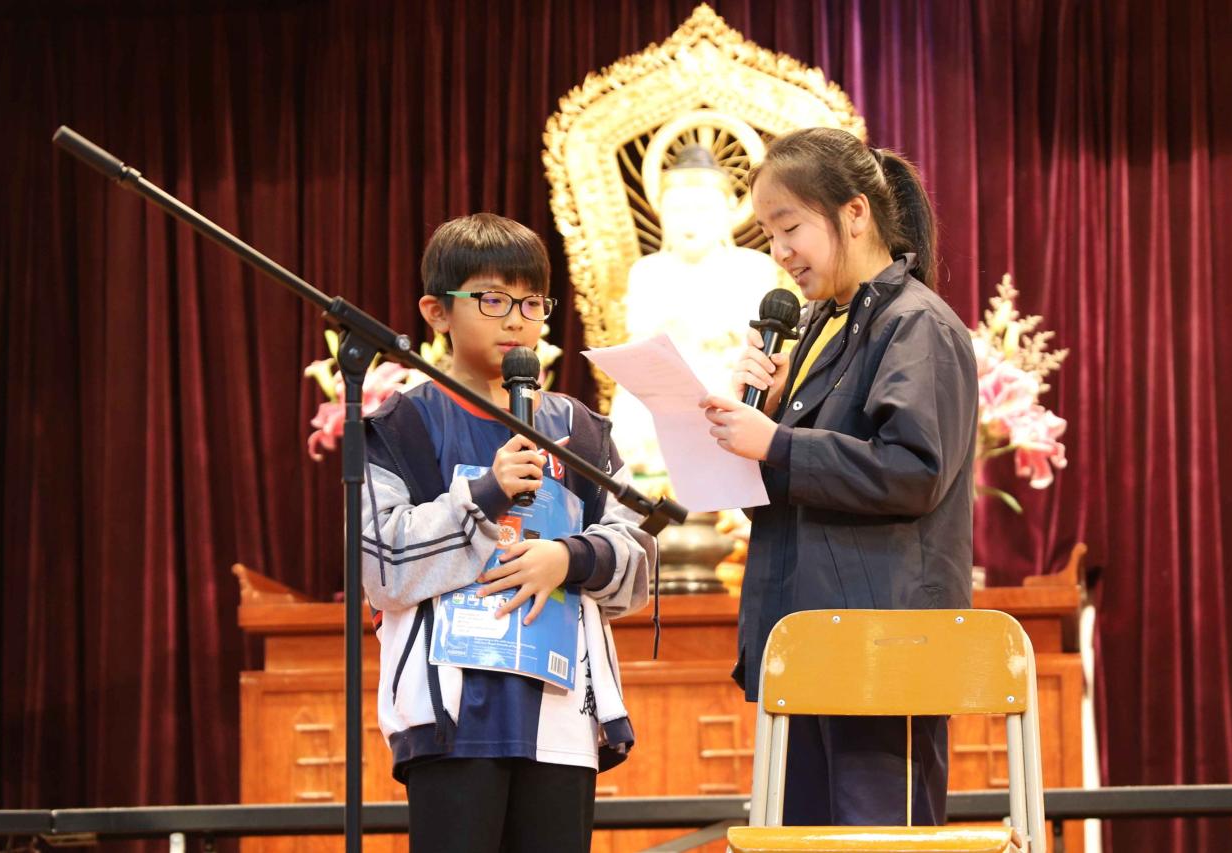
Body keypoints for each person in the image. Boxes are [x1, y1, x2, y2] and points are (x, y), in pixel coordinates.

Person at [700, 127, 978, 826]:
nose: (779, 251)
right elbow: (791, 491)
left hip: (883, 652)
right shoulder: (822, 327)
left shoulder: (917, 323)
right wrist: (760, 421)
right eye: (769, 234)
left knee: (875, 836)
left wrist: (779, 443)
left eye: (790, 227)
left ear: (854, 212)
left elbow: (912, 470)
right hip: (806, 641)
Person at [361, 213, 655, 853]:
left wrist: (568, 558)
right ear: (437, 312)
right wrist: (485, 495)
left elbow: (638, 559)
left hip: (560, 715)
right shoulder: (403, 425)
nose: (516, 319)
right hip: (452, 717)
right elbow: (382, 568)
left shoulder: (581, 431)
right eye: (492, 300)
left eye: (531, 302)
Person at [612, 144, 784, 477]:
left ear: (727, 212)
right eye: (677, 211)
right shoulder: (647, 272)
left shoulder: (754, 268)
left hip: (724, 379)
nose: (689, 222)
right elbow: (639, 346)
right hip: (663, 388)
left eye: (703, 210)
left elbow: (756, 350)